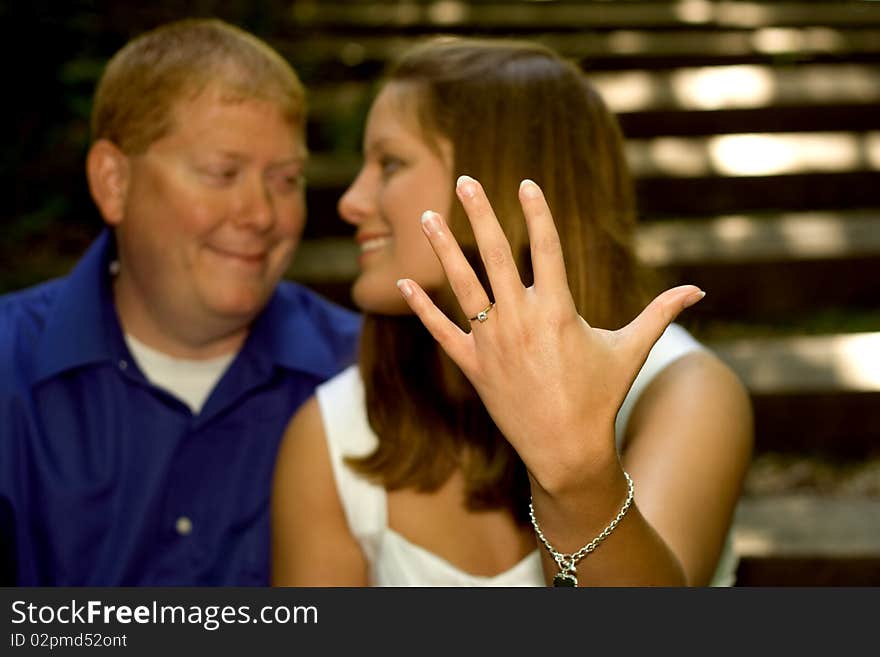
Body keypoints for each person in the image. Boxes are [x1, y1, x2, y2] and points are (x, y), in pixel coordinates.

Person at [271, 37, 754, 586]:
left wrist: (573, 469)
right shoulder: (333, 430)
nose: (351, 202)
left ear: (496, 180)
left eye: (390, 163)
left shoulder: (687, 392)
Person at [0, 18, 360, 585]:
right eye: (223, 173)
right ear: (113, 182)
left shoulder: (365, 376)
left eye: (287, 180)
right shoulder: (9, 370)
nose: (262, 214)